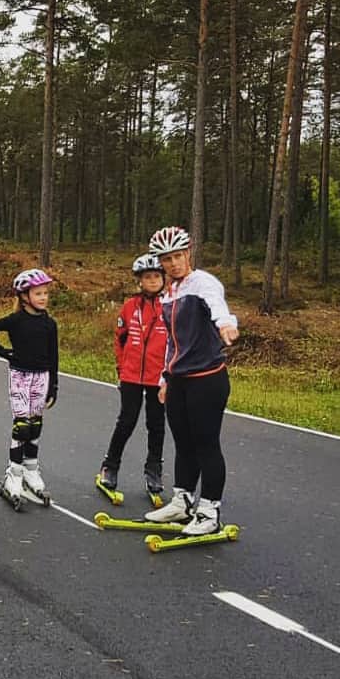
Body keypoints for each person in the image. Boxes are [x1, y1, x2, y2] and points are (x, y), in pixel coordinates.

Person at [144, 226, 239, 535]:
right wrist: (164, 377)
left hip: (207, 379)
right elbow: (173, 342)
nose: (173, 264)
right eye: (167, 259)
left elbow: (217, 306)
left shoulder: (203, 283)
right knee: (184, 444)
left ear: (189, 253)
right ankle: (182, 501)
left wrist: (226, 325)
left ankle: (210, 511)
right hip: (179, 380)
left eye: (178, 256)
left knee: (206, 445)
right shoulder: (170, 292)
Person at [0, 269, 60, 507]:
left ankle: (31, 471)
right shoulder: (16, 320)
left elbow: (54, 356)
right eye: (38, 293)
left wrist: (53, 385)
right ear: (25, 296)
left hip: (42, 376)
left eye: (45, 293)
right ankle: (13, 474)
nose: (43, 297)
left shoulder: (49, 323)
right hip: (20, 376)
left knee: (35, 424)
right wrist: (2, 351)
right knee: (22, 425)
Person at [98, 254, 168, 501]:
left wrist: (169, 375)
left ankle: (154, 471)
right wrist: (121, 368)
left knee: (156, 425)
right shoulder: (130, 306)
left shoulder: (170, 306)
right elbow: (120, 339)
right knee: (126, 421)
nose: (152, 281)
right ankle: (110, 466)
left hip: (158, 378)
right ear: (139, 281)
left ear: (163, 279)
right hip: (131, 376)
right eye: (147, 277)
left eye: (156, 276)